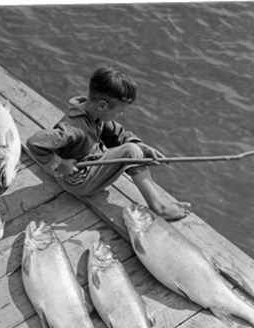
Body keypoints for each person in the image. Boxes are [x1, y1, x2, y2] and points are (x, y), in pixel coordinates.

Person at [26, 65, 191, 221]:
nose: (120, 115)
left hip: (87, 163)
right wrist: (59, 164)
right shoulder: (74, 128)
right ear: (102, 105)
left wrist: (143, 148)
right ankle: (159, 207)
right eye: (120, 111)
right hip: (77, 181)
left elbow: (119, 134)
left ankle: (139, 161)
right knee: (131, 152)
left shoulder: (93, 112)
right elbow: (35, 142)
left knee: (135, 148)